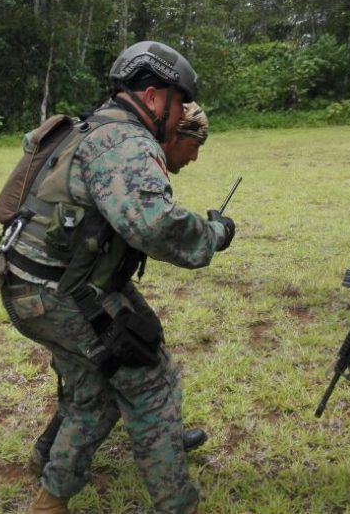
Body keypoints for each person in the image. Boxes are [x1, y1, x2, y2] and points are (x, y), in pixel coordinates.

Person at [0, 41, 234, 514]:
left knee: (95, 394)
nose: (181, 112)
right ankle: (177, 504)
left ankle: (50, 500)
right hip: (62, 292)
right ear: (153, 97)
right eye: (179, 101)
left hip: (29, 283)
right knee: (152, 381)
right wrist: (213, 234)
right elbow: (153, 224)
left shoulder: (89, 125)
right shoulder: (125, 140)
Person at [27, 101, 213, 477]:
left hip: (70, 281)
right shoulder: (129, 149)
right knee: (122, 369)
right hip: (70, 289)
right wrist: (215, 234)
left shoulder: (110, 140)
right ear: (176, 133)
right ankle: (154, 448)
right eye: (195, 147)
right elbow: (154, 229)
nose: (194, 159)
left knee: (135, 343)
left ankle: (160, 437)